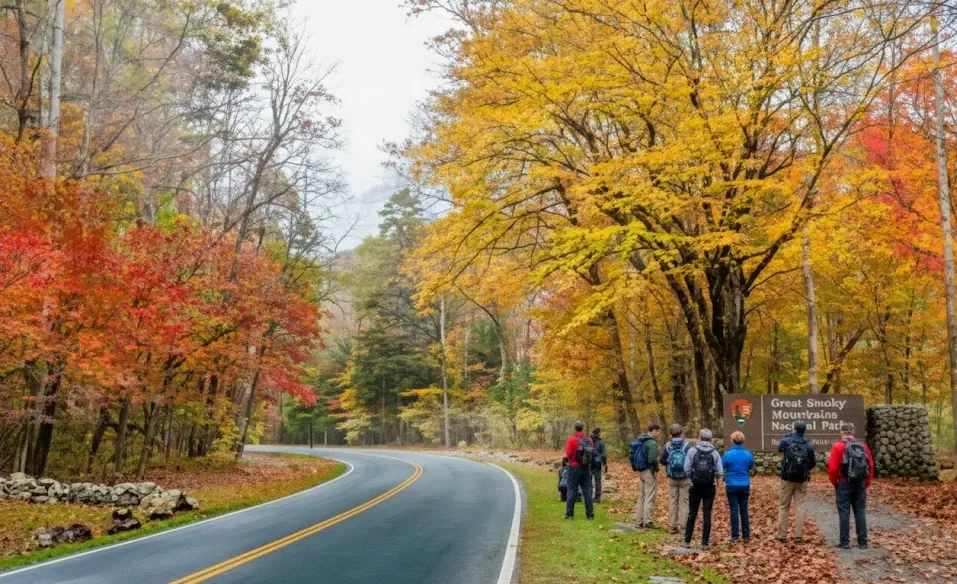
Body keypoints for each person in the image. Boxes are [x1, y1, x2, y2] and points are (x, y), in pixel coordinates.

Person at [828, 423, 875, 549]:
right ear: (853, 432)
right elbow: (870, 464)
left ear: (841, 432)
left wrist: (835, 482)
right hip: (860, 483)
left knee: (844, 512)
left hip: (843, 482)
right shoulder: (863, 445)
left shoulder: (837, 446)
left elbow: (833, 468)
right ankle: (863, 542)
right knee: (860, 511)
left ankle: (844, 542)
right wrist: (867, 482)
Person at [683, 428, 724, 550]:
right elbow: (720, 471)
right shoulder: (715, 453)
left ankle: (687, 541)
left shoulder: (692, 451)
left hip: (695, 485)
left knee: (692, 513)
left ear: (699, 437)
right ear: (710, 439)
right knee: (707, 514)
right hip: (709, 486)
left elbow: (686, 468)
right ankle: (705, 543)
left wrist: (691, 477)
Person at [776, 420, 816, 543]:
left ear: (794, 429)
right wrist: (803, 470)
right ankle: (798, 536)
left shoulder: (787, 441)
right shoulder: (808, 444)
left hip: (787, 478)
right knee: (800, 507)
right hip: (802, 479)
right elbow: (812, 462)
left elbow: (779, 449)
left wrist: (786, 436)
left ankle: (782, 535)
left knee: (784, 506)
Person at [722, 431, 754, 543]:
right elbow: (751, 466)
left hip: (731, 484)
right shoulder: (748, 454)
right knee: (744, 510)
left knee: (734, 510)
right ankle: (746, 535)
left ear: (732, 440)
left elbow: (722, 467)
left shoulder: (727, 454)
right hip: (744, 484)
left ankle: (735, 536)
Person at [659, 423, 690, 534]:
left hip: (671, 477)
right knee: (684, 502)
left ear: (671, 434)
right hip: (685, 477)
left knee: (672, 501)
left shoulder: (668, 446)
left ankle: (672, 527)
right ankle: (684, 527)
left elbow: (662, 460)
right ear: (681, 433)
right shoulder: (687, 445)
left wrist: (669, 465)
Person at [563, 421, 594, 520]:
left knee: (572, 490)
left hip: (574, 467)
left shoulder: (572, 439)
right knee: (587, 491)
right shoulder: (589, 439)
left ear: (575, 428)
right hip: (586, 467)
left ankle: (569, 514)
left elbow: (568, 453)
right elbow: (591, 451)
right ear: (583, 428)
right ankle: (590, 515)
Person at [634, 424, 662, 528]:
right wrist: (657, 467)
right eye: (658, 431)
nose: (659, 434)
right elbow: (651, 459)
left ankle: (639, 520)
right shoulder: (651, 442)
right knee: (650, 496)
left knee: (642, 496)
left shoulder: (641, 439)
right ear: (653, 431)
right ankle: (648, 521)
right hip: (649, 471)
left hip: (641, 471)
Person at [590, 427, 608, 503]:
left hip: (588, 464)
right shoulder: (601, 442)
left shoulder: (588, 440)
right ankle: (597, 498)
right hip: (597, 464)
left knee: (588, 481)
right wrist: (605, 464)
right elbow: (603, 455)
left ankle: (589, 497)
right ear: (598, 433)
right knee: (598, 481)